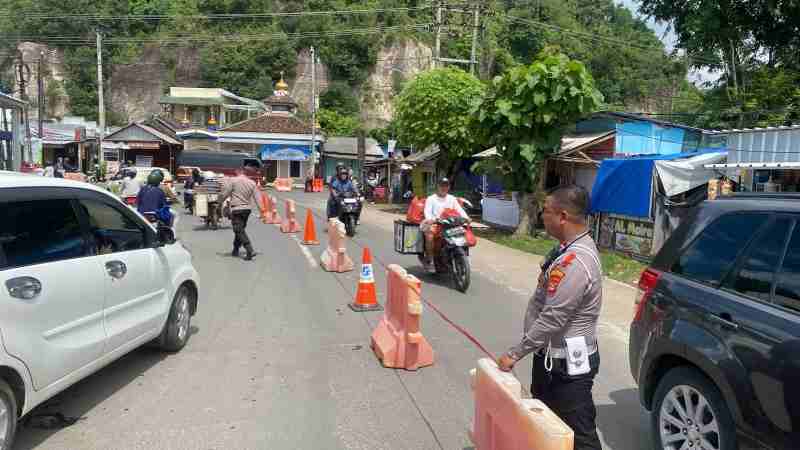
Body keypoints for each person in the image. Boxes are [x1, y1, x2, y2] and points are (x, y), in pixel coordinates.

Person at [496, 185, 603, 450]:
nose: (542, 216)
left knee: (579, 434)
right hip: (550, 359)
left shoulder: (577, 261)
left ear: (563, 216)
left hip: (567, 365)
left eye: (545, 211)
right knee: (544, 424)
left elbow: (553, 317)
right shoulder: (566, 248)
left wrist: (515, 353)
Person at [420, 177, 469, 273]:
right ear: (437, 187)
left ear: (449, 187)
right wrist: (431, 219)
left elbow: (460, 210)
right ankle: (430, 260)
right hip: (436, 224)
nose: (444, 188)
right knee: (429, 235)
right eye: (442, 185)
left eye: (446, 185)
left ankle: (462, 257)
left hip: (450, 224)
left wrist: (467, 218)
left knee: (464, 232)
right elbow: (427, 212)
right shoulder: (431, 199)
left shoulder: (452, 199)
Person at [220, 168, 264, 261]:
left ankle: (249, 250)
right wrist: (262, 211)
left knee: (238, 230)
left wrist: (219, 201)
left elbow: (225, 193)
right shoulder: (252, 182)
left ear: (237, 172)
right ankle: (235, 250)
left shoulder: (233, 181)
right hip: (247, 210)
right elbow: (258, 198)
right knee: (240, 230)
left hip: (237, 209)